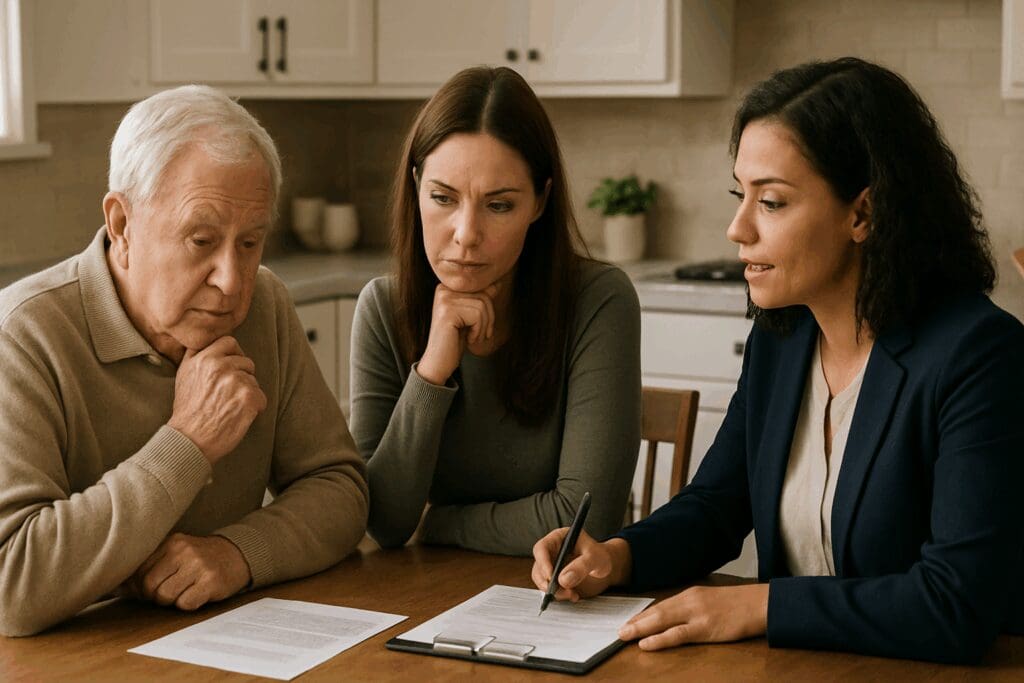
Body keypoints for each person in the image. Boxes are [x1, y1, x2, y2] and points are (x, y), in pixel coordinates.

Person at [531, 57, 1024, 664]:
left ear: (862, 214)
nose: (737, 228)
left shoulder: (979, 355)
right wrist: (616, 556)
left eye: (772, 202)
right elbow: (716, 505)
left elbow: (956, 604)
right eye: (742, 195)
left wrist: (759, 605)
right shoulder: (782, 338)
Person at [0, 85, 368, 636]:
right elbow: (12, 582)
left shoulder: (264, 305)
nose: (231, 280)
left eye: (250, 243)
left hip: (222, 643)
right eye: (201, 240)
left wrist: (236, 555)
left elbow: (341, 489)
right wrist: (188, 443)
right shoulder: (23, 334)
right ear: (122, 225)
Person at [349, 66, 641, 556]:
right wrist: (432, 371)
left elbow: (582, 520)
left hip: (559, 603)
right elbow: (383, 521)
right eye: (442, 198)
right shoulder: (383, 307)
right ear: (416, 186)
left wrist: (441, 524)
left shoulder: (599, 300)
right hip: (424, 598)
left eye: (499, 205)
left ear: (540, 201)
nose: (465, 234)